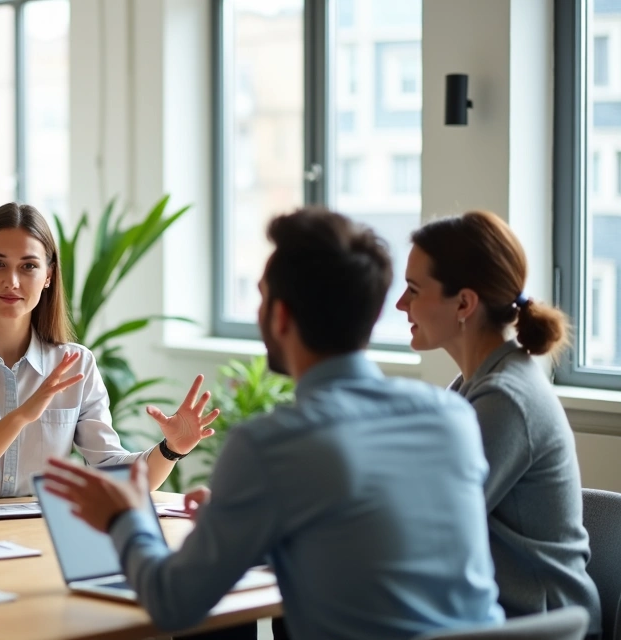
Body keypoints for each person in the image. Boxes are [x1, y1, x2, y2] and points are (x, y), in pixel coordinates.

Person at [43, 207, 504, 640]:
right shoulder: (451, 417)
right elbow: (369, 547)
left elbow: (173, 604)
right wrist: (248, 527)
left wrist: (124, 519)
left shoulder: (274, 444)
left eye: (261, 299)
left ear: (279, 316)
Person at [0, 202, 218, 508]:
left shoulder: (76, 365)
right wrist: (22, 415)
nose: (12, 281)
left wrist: (170, 449)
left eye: (28, 266)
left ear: (49, 275)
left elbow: (112, 470)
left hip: (27, 537)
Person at [396, 210, 601, 635]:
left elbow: (428, 526)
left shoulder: (505, 399)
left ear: (465, 304)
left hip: (536, 626)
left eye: (414, 290)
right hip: (486, 614)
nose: (401, 304)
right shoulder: (474, 387)